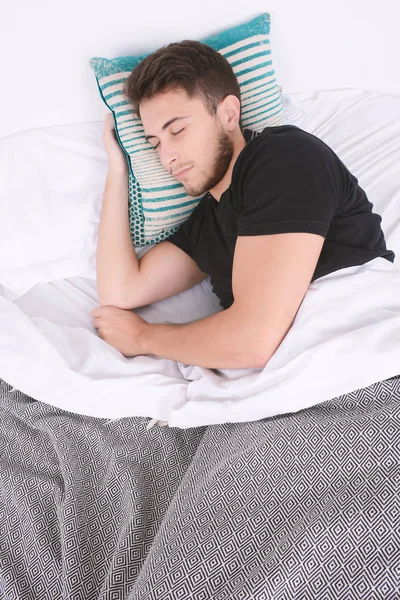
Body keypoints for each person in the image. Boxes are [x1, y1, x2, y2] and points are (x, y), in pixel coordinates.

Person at [91, 41, 395, 370]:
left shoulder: (285, 158)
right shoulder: (206, 222)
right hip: (283, 385)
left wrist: (142, 337)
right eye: (155, 143)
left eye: (177, 130)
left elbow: (252, 342)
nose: (166, 157)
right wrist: (117, 170)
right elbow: (120, 291)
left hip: (362, 356)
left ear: (228, 114)